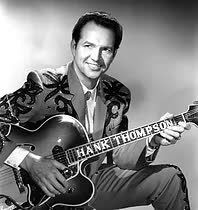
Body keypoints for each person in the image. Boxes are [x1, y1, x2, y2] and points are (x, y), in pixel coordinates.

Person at [0, 11, 191, 210]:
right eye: (88, 46)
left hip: (90, 183)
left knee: (169, 180)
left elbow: (119, 156)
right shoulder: (45, 84)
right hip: (40, 192)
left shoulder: (117, 94)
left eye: (105, 49)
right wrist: (29, 162)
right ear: (74, 46)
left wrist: (152, 139)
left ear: (114, 53)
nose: (96, 57)